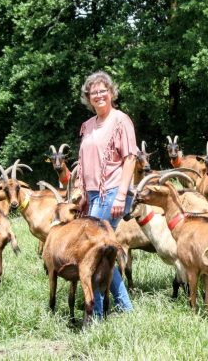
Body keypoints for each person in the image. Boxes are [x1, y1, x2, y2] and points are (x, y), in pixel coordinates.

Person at [75, 70, 136, 318]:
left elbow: (130, 158)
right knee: (103, 253)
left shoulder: (121, 120)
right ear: (88, 98)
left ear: (111, 93)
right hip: (92, 196)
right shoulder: (88, 126)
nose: (98, 95)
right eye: (93, 92)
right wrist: (82, 192)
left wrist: (121, 196)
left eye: (103, 90)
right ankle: (125, 309)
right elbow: (83, 162)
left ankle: (97, 316)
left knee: (94, 253)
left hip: (112, 192)